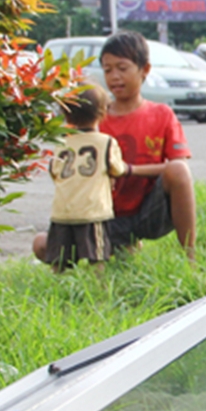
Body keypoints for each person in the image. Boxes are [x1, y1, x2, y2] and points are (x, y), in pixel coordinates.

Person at [32, 31, 197, 262]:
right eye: (108, 70)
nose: (115, 77)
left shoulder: (162, 114)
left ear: (144, 69)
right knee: (41, 245)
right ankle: (120, 246)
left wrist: (128, 170)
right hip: (101, 218)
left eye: (122, 68)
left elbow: (178, 165)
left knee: (179, 170)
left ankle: (191, 258)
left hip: (148, 212)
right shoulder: (91, 119)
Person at [44, 84, 128, 271]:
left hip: (62, 211)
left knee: (59, 258)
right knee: (97, 255)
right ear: (102, 112)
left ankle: (56, 284)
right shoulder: (106, 142)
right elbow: (117, 169)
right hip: (92, 210)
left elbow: (54, 172)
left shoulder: (61, 143)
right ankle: (100, 286)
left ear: (66, 115)